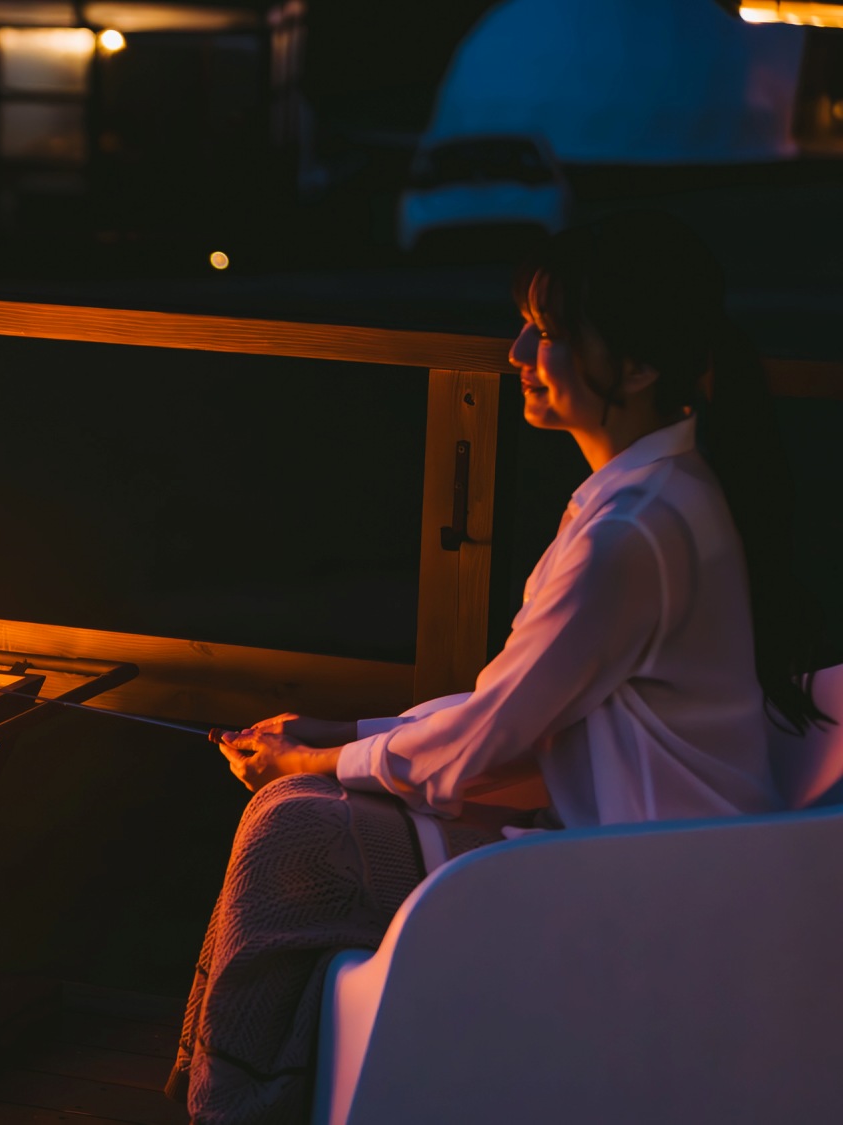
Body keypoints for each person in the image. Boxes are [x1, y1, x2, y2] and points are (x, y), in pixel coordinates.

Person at [166, 211, 828, 1125]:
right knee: (292, 816)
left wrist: (316, 757)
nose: (517, 349)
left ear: (636, 368)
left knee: (292, 835)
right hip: (617, 837)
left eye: (548, 333)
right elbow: (507, 709)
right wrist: (336, 736)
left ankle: (239, 1105)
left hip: (646, 879)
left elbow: (488, 736)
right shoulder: (647, 497)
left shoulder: (630, 535)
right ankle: (243, 1094)